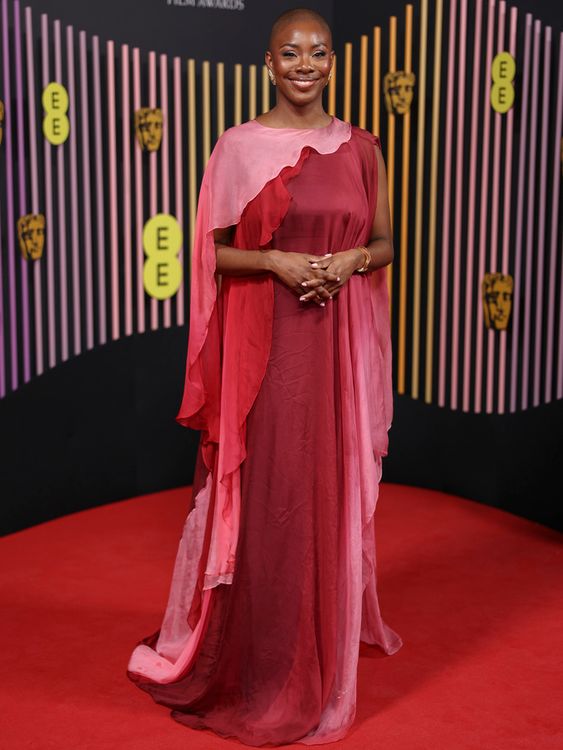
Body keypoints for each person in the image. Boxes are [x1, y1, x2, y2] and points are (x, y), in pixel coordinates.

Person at [127, 6, 403, 746]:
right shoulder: (239, 147)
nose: (305, 63)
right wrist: (277, 262)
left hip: (335, 352)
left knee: (326, 491)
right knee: (272, 496)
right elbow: (209, 253)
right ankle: (261, 655)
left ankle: (322, 640)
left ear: (333, 62)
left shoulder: (362, 147)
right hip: (269, 357)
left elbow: (382, 244)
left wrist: (348, 263)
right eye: (291, 52)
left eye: (318, 51)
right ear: (269, 64)